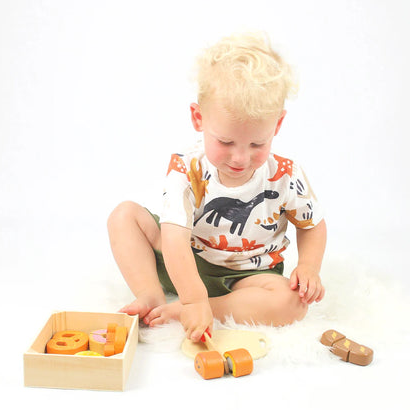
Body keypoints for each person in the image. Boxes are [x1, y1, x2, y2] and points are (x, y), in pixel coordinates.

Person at [107, 32, 327, 342]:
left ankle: (208, 308)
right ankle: (151, 295)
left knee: (291, 304)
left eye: (257, 143)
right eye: (225, 141)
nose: (240, 157)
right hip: (185, 260)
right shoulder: (188, 168)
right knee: (124, 216)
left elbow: (312, 225)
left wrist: (308, 266)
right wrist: (192, 294)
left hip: (250, 278)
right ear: (198, 118)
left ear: (276, 125)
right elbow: (173, 239)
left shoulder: (286, 175)